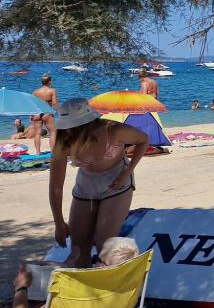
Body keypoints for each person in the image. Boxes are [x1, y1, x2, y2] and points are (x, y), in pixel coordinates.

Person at [48, 98, 148, 268]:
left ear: (88, 123)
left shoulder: (114, 130)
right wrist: (58, 222)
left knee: (105, 246)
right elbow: (56, 186)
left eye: (74, 126)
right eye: (67, 127)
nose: (70, 130)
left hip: (116, 183)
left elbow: (144, 140)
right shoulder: (64, 140)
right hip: (85, 185)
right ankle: (82, 281)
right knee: (78, 251)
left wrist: (127, 172)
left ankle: (116, 278)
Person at [3, 237, 140, 308]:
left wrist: (21, 288)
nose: (94, 262)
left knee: (23, 306)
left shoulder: (69, 301)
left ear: (102, 266)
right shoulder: (129, 290)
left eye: (96, 259)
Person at [31, 74, 58, 155]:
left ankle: (38, 152)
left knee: (37, 133)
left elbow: (32, 104)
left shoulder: (35, 92)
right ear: (49, 81)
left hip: (37, 113)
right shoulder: (52, 90)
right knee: (53, 132)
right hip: (47, 113)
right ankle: (53, 152)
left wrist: (31, 114)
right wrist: (59, 110)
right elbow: (54, 103)